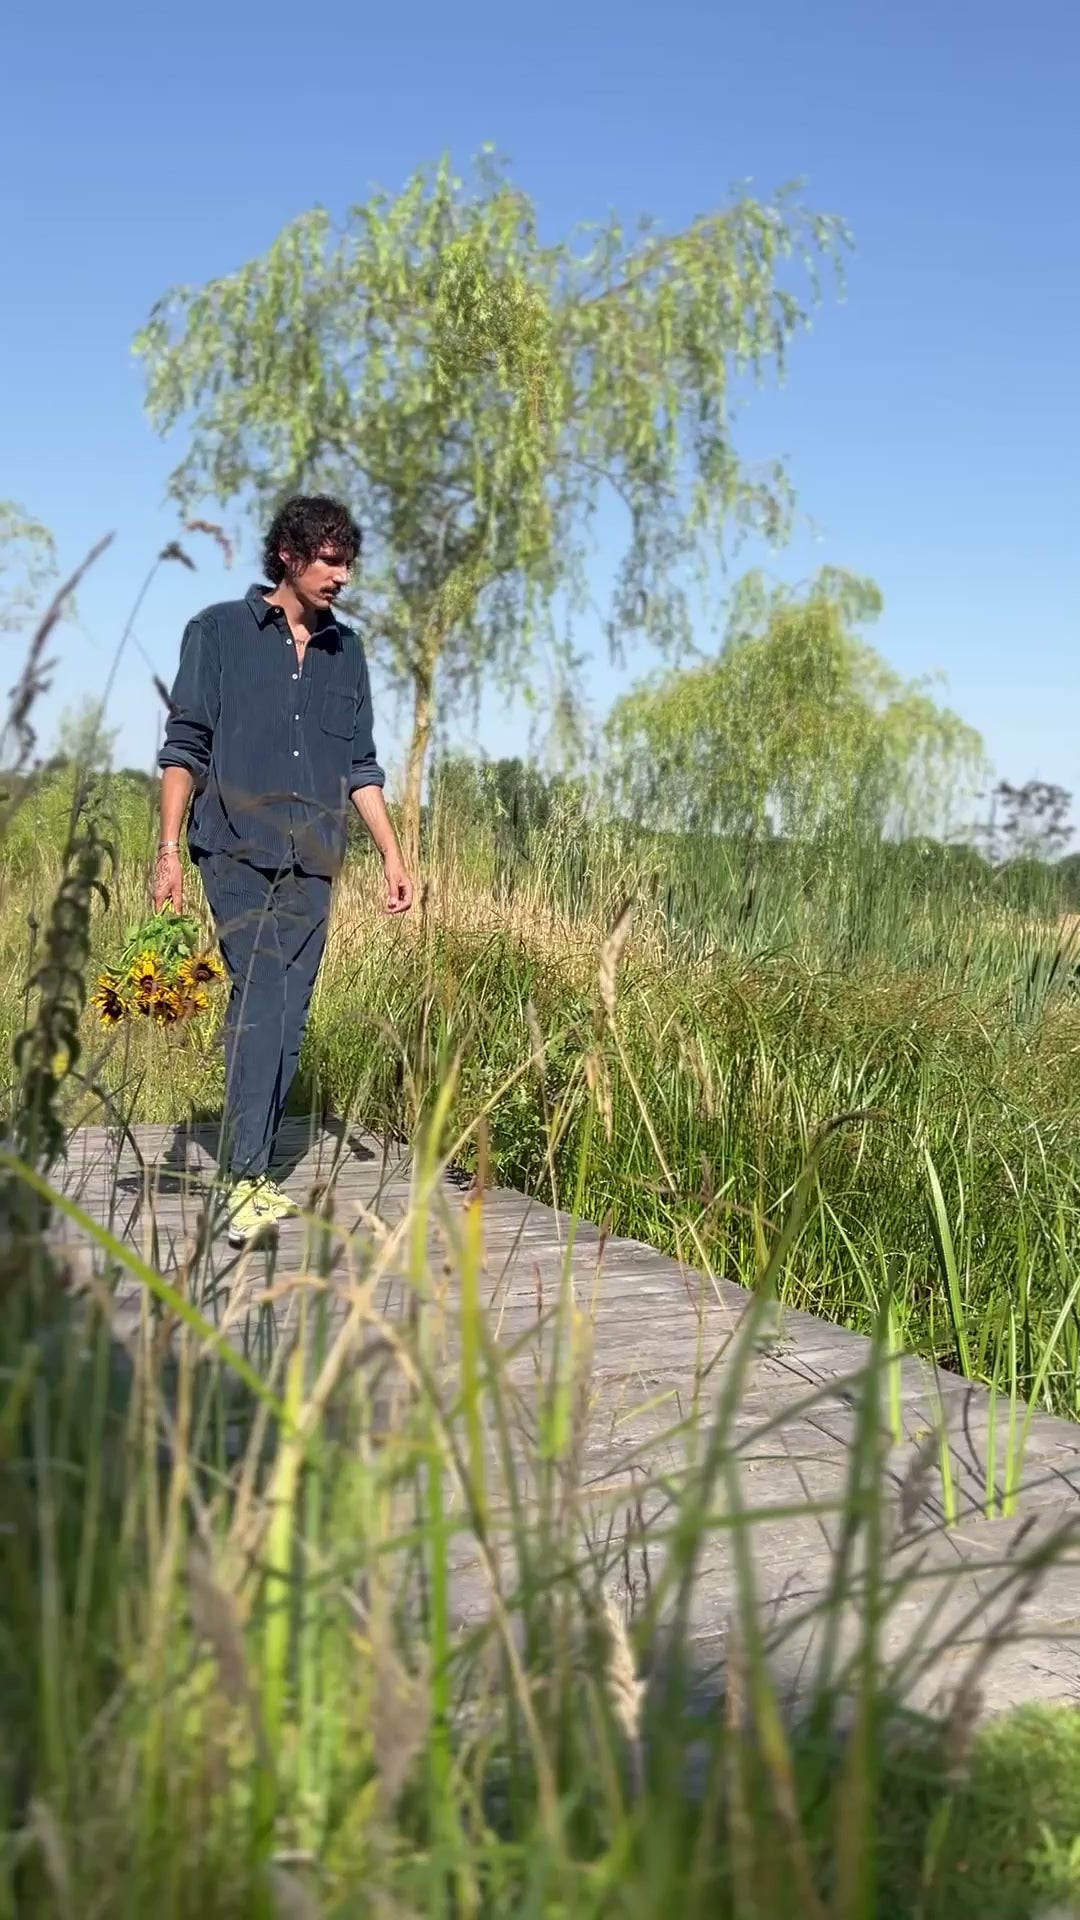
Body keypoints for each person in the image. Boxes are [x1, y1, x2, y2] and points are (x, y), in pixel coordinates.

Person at [154, 494, 412, 1247]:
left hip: (316, 856)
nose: (343, 577)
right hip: (233, 846)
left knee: (289, 1017)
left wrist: (393, 854)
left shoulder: (348, 653)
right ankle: (239, 1182)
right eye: (331, 561)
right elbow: (185, 747)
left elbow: (361, 766)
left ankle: (257, 1172)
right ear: (290, 557)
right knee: (263, 995)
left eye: (348, 563)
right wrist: (168, 851)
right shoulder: (219, 633)